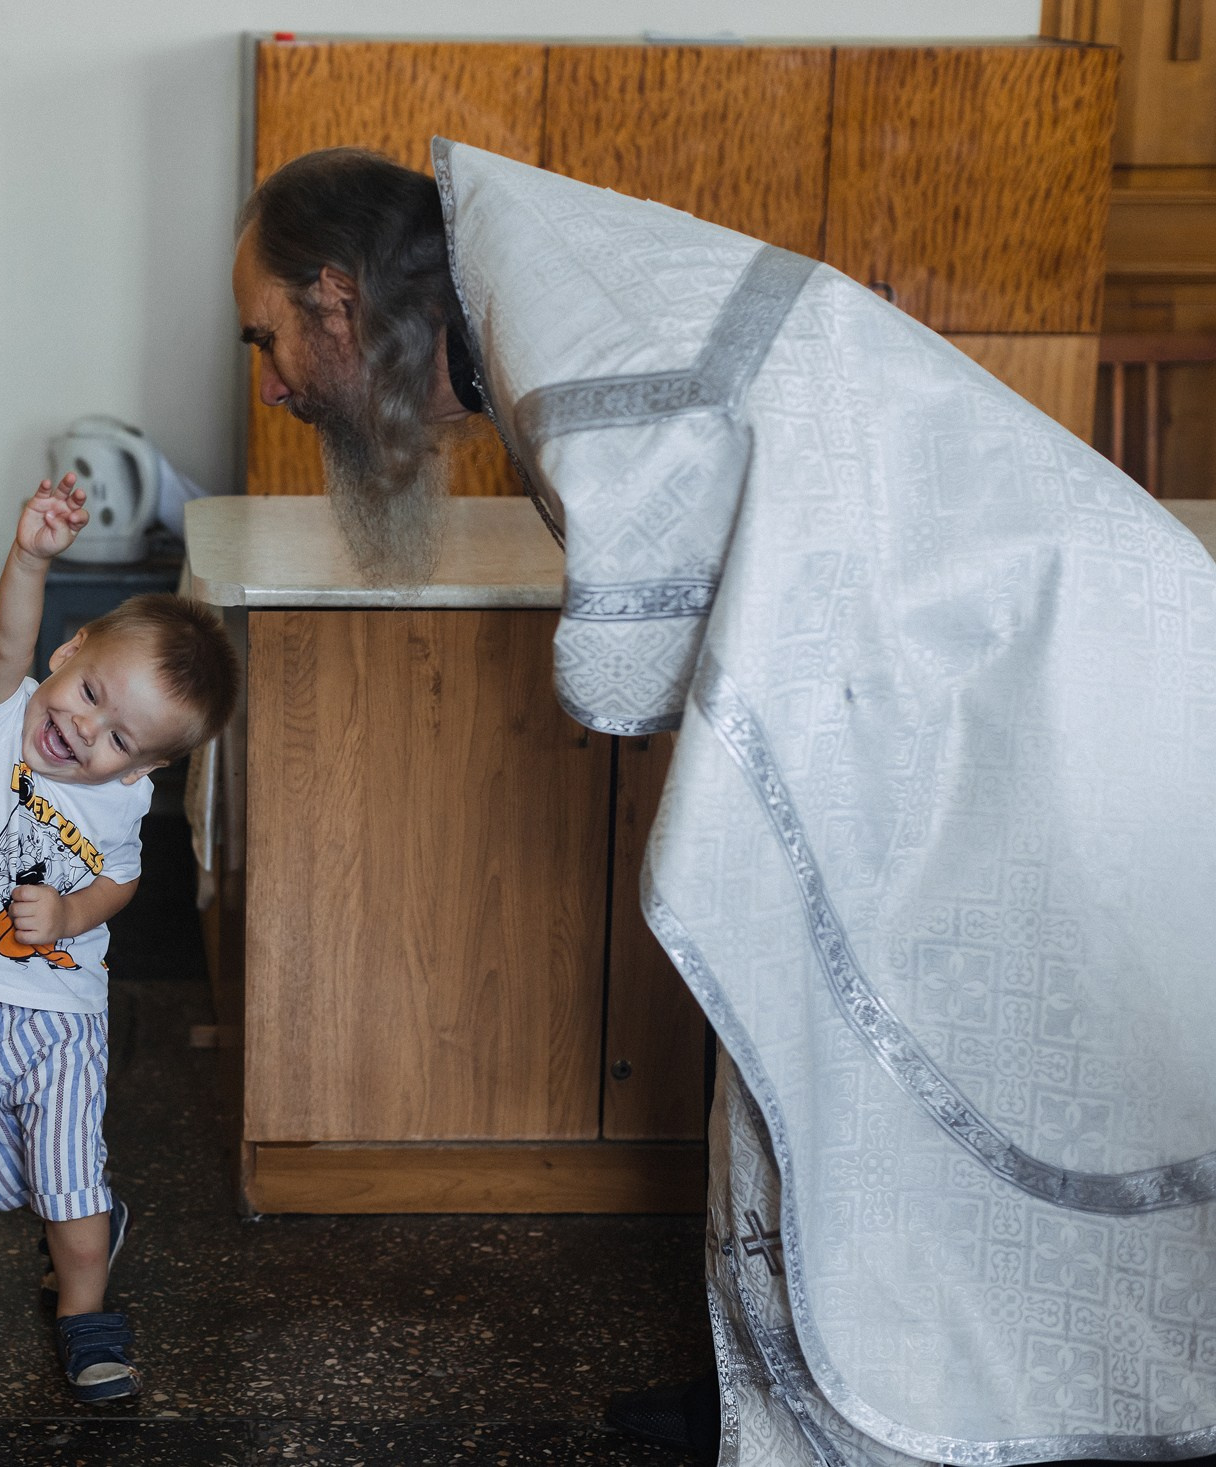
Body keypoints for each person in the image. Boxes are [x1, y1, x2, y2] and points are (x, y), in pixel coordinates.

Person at [235, 145, 1216, 1464]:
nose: (271, 381)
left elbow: (631, 651)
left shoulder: (569, 317)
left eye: (267, 336)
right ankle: (772, 1379)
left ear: (336, 296)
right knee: (785, 1025)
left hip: (1047, 670)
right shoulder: (545, 304)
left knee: (859, 1038)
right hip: (992, 658)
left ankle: (890, 1389)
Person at [0, 473, 238, 1403]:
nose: (84, 730)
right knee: (5, 1180)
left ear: (144, 768)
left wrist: (73, 914)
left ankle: (86, 1314)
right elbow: (7, 638)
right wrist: (30, 555)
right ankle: (75, 1218)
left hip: (59, 1017)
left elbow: (120, 879)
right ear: (68, 649)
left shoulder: (121, 802)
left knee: (68, 1184)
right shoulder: (0, 717)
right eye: (89, 693)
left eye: (120, 738)